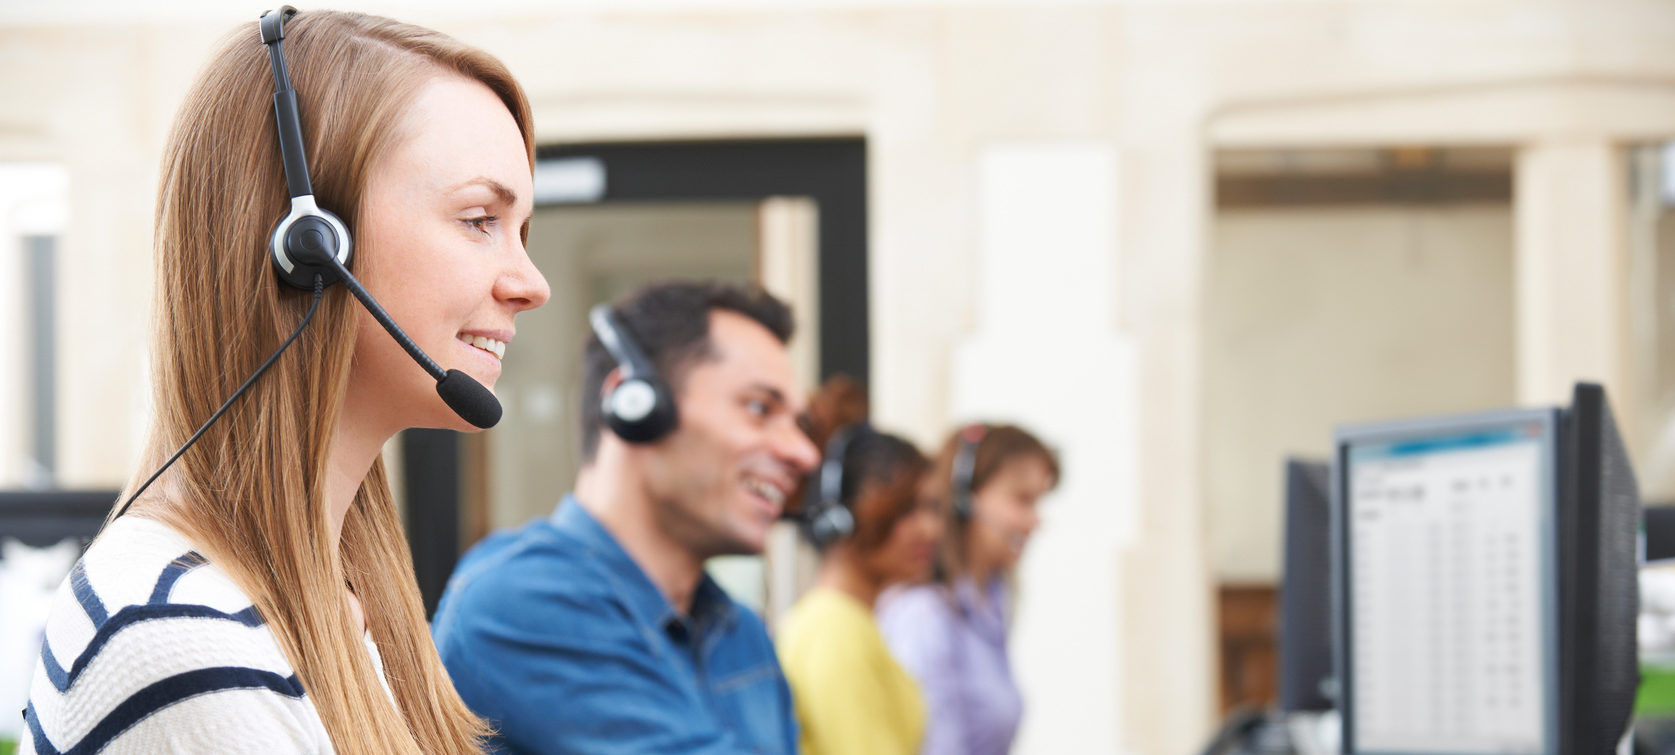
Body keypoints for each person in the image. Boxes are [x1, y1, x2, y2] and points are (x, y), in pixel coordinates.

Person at [21, 8, 549, 755]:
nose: (531, 284)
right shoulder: (188, 638)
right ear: (310, 247)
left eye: (520, 231)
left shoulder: (337, 595)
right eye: (478, 219)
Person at [431, 281, 820, 754]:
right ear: (635, 402)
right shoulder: (520, 604)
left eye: (798, 424)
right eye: (760, 408)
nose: (804, 454)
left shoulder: (741, 632)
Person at [775, 378, 944, 755]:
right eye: (907, 509)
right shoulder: (835, 631)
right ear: (842, 518)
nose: (930, 530)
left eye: (932, 509)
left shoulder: (852, 622)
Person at [877, 424, 1060, 755]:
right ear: (964, 500)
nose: (1035, 521)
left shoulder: (991, 600)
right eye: (1022, 500)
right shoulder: (924, 617)